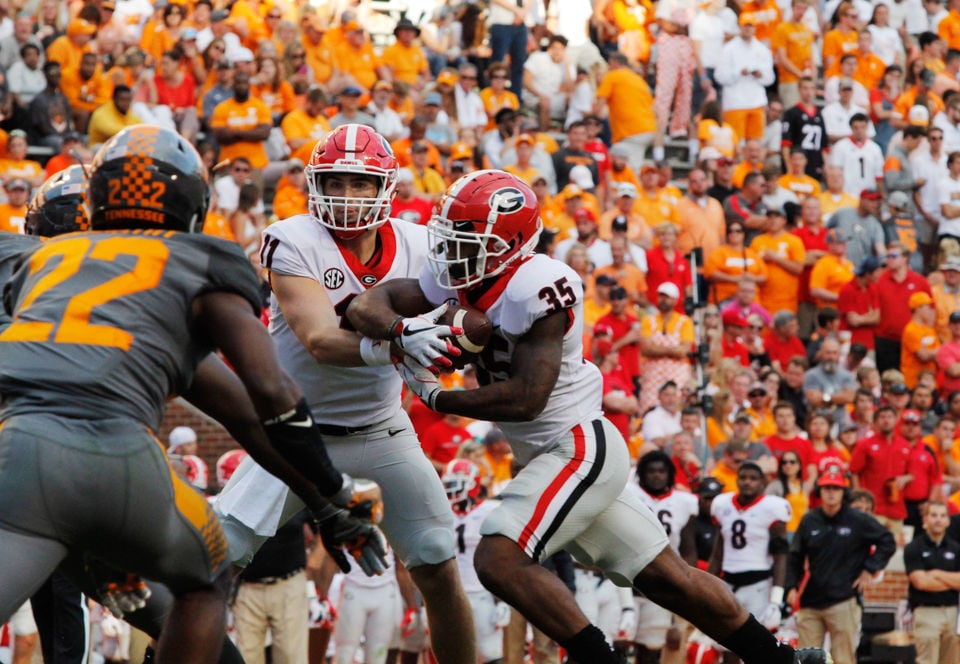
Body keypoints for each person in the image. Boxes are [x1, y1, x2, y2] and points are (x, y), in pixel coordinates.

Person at [347, 169, 830, 664]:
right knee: (670, 579)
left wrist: (438, 399)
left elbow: (527, 398)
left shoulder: (537, 284)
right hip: (550, 456)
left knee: (498, 556)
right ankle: (784, 660)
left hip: (578, 446)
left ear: (510, 243)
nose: (451, 252)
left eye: (467, 240)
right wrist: (403, 330)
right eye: (450, 238)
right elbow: (369, 302)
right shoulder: (459, 277)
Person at [0, 125, 382, 661]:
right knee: (206, 579)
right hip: (118, 461)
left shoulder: (29, 265)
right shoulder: (194, 262)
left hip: (17, 459)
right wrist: (332, 496)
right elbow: (263, 400)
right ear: (192, 206)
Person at [213, 123, 478, 664]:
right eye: (336, 180)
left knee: (437, 565)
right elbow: (318, 340)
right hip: (293, 434)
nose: (348, 195)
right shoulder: (293, 238)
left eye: (360, 183)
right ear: (313, 183)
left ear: (385, 186)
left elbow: (460, 317)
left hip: (382, 430)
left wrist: (452, 340)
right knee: (214, 562)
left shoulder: (419, 244)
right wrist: (401, 341)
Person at [786, 472, 896, 664]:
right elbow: (795, 556)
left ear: (842, 492)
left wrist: (869, 568)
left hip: (843, 599)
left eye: (836, 488)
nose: (831, 493)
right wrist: (791, 586)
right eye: (827, 488)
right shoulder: (809, 520)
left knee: (843, 658)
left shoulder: (857, 519)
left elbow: (887, 541)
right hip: (811, 600)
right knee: (805, 659)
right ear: (820, 491)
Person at [708, 460, 792, 652]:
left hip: (759, 585)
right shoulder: (722, 504)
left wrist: (776, 600)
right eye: (743, 478)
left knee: (757, 646)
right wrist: (709, 587)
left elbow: (780, 555)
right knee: (726, 644)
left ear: (763, 483)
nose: (747, 482)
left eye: (753, 478)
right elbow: (717, 553)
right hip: (728, 582)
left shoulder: (772, 507)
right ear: (736, 481)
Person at [625, 451, 699, 663]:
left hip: (661, 579)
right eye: (651, 471)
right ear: (641, 474)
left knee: (652, 646)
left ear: (670, 474)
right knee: (616, 642)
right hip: (626, 578)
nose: (656, 476)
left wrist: (686, 581)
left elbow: (688, 548)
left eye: (661, 471)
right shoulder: (629, 494)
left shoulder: (683, 502)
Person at [443, 459, 510, 664]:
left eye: (456, 485)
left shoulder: (491, 510)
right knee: (452, 654)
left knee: (491, 655)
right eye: (448, 485)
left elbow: (504, 559)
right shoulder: (443, 514)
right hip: (452, 595)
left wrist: (504, 600)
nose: (451, 491)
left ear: (472, 484)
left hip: (483, 595)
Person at [905, 501, 960, 664]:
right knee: (926, 661)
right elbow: (920, 582)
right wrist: (952, 580)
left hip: (952, 612)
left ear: (948, 521)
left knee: (952, 660)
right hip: (926, 611)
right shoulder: (914, 548)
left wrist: (936, 574)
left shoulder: (956, 549)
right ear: (925, 520)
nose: (938, 520)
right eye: (934, 515)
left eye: (943, 516)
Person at [850, 404, 913, 533]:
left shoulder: (905, 445)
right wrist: (858, 497)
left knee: (895, 549)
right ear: (876, 422)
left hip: (896, 508)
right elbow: (854, 471)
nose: (886, 420)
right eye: (882, 417)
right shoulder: (865, 444)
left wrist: (907, 477)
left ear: (896, 420)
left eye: (890, 416)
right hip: (873, 508)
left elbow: (913, 472)